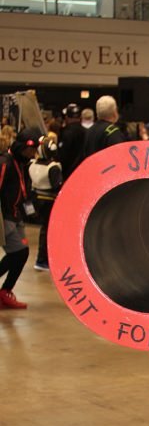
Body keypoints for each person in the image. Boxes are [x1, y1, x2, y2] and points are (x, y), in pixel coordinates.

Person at [0, 127, 40, 308]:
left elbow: (24, 191)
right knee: (19, 252)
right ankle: (5, 290)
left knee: (21, 254)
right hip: (5, 218)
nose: (33, 152)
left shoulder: (24, 165)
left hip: (17, 217)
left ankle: (5, 291)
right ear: (21, 146)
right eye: (30, 148)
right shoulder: (5, 163)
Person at [28, 134, 62, 272]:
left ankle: (44, 259)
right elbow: (57, 186)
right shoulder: (53, 167)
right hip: (49, 201)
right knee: (47, 231)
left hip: (36, 199)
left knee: (45, 230)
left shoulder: (32, 164)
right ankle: (42, 260)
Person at [58, 103, 85, 181]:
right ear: (80, 118)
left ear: (66, 117)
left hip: (68, 174)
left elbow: (62, 156)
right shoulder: (86, 131)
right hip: (82, 172)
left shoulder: (66, 133)